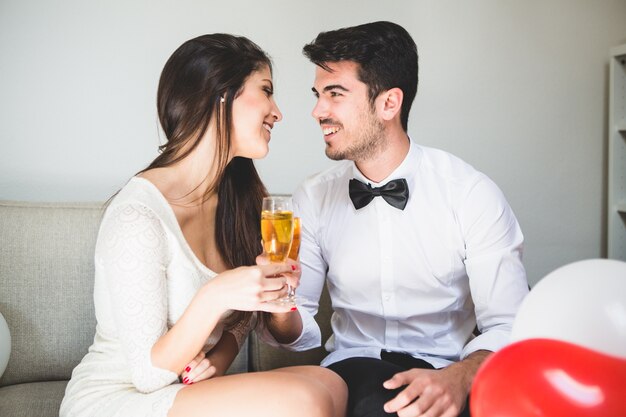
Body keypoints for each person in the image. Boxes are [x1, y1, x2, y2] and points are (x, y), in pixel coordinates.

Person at [60, 33, 347, 417]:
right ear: (221, 95)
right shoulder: (138, 215)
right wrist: (216, 294)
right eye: (266, 90)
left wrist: (225, 350)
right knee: (305, 399)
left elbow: (242, 321)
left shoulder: (238, 198)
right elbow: (147, 374)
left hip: (184, 393)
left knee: (331, 383)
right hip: (122, 396)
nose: (278, 112)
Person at [258, 21, 529, 417]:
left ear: (389, 103)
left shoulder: (470, 193)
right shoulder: (313, 196)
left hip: (445, 370)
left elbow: (508, 325)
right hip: (351, 371)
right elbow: (296, 335)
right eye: (318, 95)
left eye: (335, 94)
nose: (317, 111)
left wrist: (459, 377)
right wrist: (279, 301)